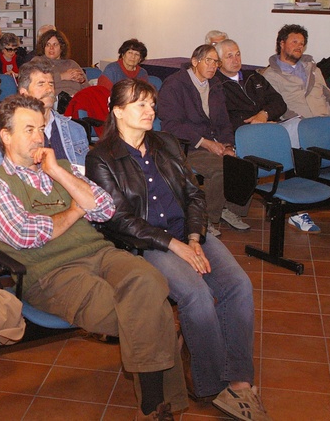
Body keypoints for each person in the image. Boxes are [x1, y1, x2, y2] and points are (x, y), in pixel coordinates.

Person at [0, 94, 187, 420]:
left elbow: (104, 206)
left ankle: (153, 406)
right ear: (5, 136)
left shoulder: (60, 168)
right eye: (28, 129)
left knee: (150, 280)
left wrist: (59, 174)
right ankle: (156, 405)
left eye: (41, 129)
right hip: (51, 273)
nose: (38, 138)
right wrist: (75, 209)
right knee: (150, 310)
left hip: (100, 253)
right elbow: (26, 235)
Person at [86, 79, 267, 421]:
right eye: (140, 104)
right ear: (118, 111)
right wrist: (174, 246)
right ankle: (212, 384)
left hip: (189, 234)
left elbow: (194, 194)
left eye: (151, 104)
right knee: (196, 295)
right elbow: (118, 219)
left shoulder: (165, 143)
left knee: (238, 285)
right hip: (148, 243)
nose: (150, 110)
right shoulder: (101, 157)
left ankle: (240, 383)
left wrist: (196, 238)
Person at [156, 44, 250, 236]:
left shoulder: (214, 84)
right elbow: (171, 125)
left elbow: (224, 121)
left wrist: (229, 146)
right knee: (220, 170)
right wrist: (206, 143)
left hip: (214, 143)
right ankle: (205, 219)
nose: (213, 66)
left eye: (216, 62)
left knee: (243, 166)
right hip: (186, 146)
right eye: (209, 60)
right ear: (194, 61)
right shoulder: (175, 84)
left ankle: (229, 209)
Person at [0, 58, 89, 169]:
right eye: (41, 84)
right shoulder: (10, 133)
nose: (49, 89)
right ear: (24, 93)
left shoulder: (75, 130)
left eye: (51, 84)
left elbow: (85, 177)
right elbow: (0, 175)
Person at [261, 24, 330, 119]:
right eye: (294, 42)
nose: (299, 47)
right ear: (282, 44)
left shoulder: (313, 69)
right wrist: (303, 124)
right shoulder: (270, 76)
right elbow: (276, 108)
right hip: (298, 126)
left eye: (301, 44)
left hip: (326, 121)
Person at [215, 39, 290, 131]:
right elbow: (224, 119)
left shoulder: (253, 77)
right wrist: (258, 123)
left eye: (238, 55)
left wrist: (264, 114)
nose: (236, 60)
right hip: (245, 132)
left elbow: (279, 102)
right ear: (219, 61)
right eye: (229, 56)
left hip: (271, 124)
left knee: (301, 125)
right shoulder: (216, 85)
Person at [31, 29, 87, 97]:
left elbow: (88, 89)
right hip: (53, 101)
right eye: (48, 45)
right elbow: (35, 82)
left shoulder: (71, 64)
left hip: (77, 98)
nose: (51, 48)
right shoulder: (38, 61)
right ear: (43, 47)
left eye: (55, 45)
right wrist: (63, 76)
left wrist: (82, 81)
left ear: (61, 48)